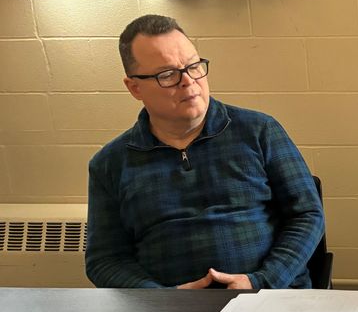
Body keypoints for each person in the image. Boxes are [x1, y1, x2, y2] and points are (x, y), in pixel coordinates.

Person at [86, 14, 325, 289]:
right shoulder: (110, 164)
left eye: (194, 66)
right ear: (134, 87)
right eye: (167, 75)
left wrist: (262, 281)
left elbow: (307, 215)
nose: (188, 81)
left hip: (270, 301)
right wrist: (163, 299)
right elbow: (104, 260)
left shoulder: (259, 131)